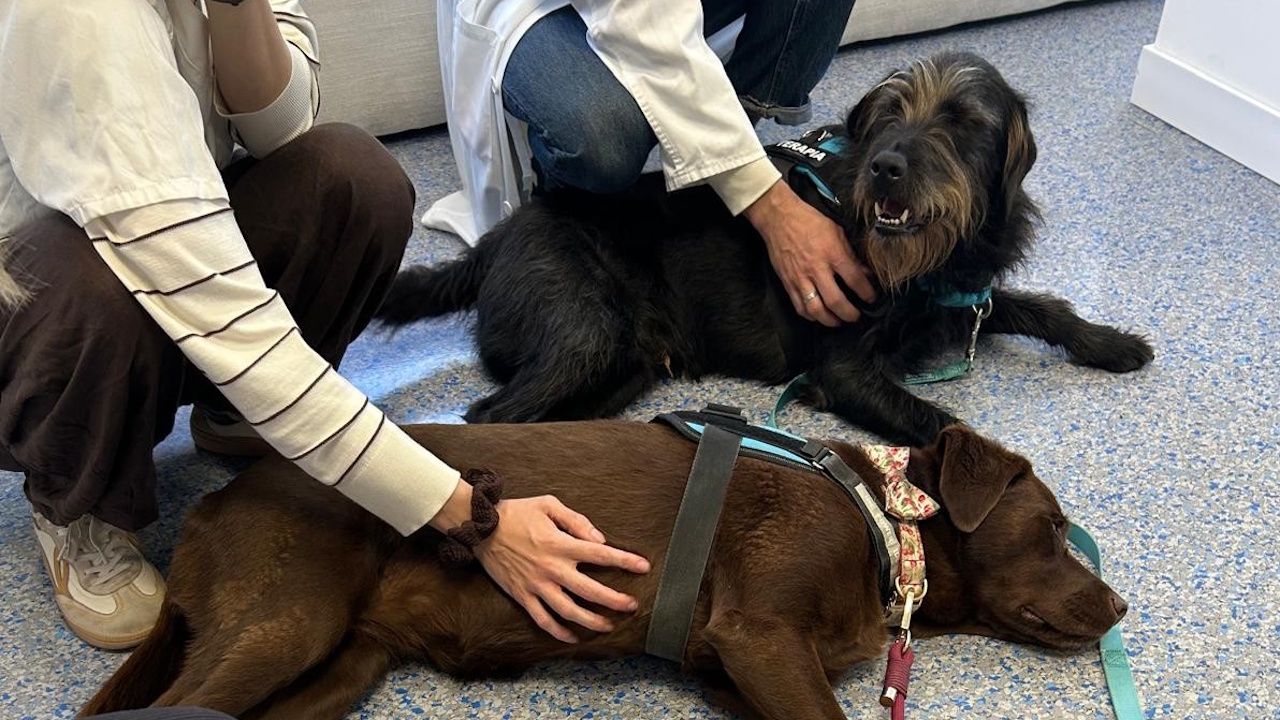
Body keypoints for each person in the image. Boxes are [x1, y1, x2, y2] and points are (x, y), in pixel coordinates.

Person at [0, 0, 648, 653]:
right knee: (88, 285)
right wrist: (470, 518)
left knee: (350, 173)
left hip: (165, 236)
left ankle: (232, 415)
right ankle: (75, 499)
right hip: (36, 317)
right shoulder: (75, 15)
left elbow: (281, 131)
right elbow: (221, 311)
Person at [429, 0, 878, 327]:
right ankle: (566, 219)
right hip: (534, 8)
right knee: (601, 134)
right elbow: (639, 19)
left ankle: (715, 170)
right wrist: (773, 209)